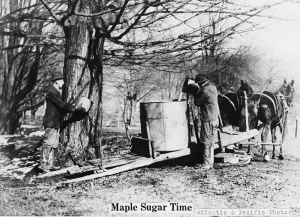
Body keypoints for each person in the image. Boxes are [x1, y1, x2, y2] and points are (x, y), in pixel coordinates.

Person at [37, 71, 84, 173]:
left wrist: (72, 109)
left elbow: (61, 107)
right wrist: (75, 107)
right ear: (56, 82)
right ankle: (43, 165)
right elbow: (62, 105)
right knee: (48, 143)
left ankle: (48, 165)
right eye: (61, 80)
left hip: (54, 122)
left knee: (53, 144)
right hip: (51, 122)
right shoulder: (52, 92)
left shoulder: (55, 92)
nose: (63, 82)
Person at [193, 73, 219, 169]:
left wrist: (195, 93)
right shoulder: (213, 87)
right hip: (214, 118)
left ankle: (206, 163)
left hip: (207, 119)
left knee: (205, 141)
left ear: (200, 83)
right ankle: (211, 162)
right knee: (211, 140)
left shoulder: (204, 90)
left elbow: (197, 102)